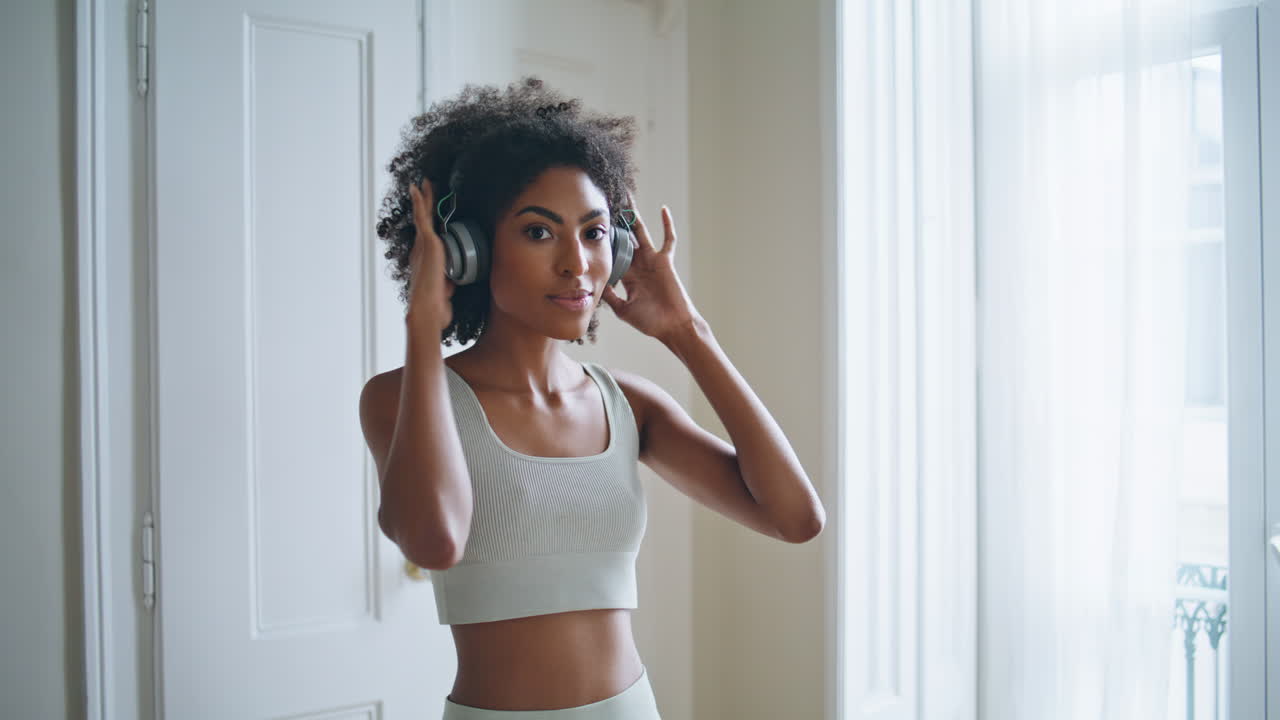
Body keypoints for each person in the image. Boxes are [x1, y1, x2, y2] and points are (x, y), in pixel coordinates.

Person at [358, 77, 826, 719]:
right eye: (539, 232)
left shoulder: (630, 407)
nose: (577, 263)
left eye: (595, 232)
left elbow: (795, 518)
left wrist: (688, 333)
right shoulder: (403, 398)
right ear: (468, 250)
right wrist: (421, 330)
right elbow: (436, 541)